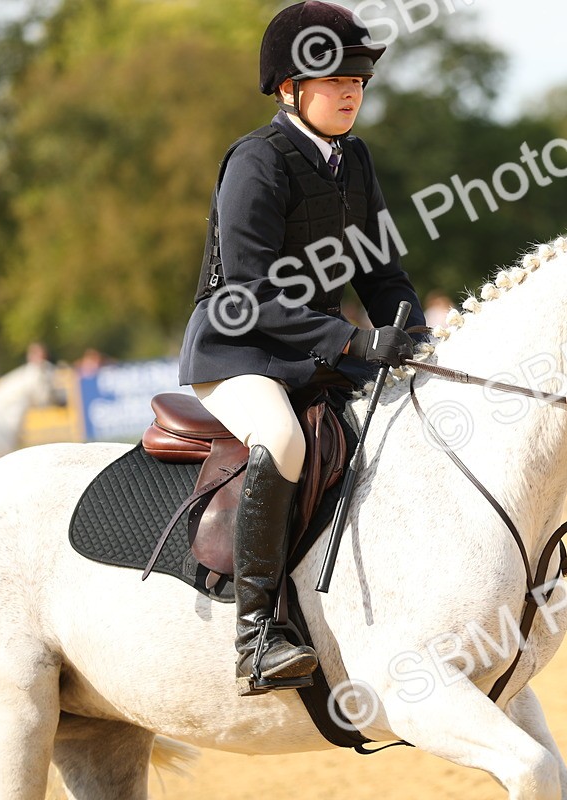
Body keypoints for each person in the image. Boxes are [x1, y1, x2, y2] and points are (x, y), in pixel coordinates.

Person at [178, 1, 425, 696]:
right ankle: (255, 635)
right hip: (236, 351)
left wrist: (413, 336)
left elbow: (381, 271)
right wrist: (350, 338)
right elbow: (248, 293)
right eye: (336, 79)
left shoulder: (355, 160)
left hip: (315, 349)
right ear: (289, 88)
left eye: (360, 80)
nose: (352, 90)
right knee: (284, 440)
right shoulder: (258, 162)